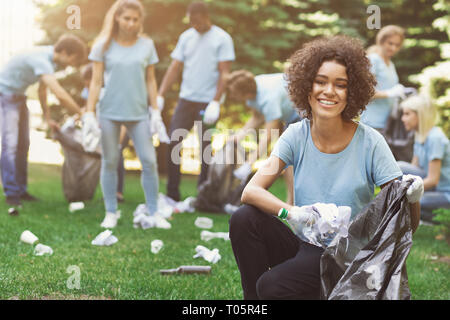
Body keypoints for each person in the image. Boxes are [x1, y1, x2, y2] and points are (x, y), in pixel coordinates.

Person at [228, 35, 423, 300]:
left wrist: (413, 199)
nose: (329, 91)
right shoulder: (295, 135)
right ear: (307, 87)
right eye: (320, 81)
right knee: (244, 219)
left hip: (348, 257)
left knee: (273, 286)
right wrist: (294, 213)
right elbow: (251, 192)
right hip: (306, 243)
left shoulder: (371, 142)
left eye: (340, 85)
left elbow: (405, 225)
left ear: (351, 92)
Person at [84, 0, 170, 229]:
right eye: (126, 18)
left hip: (139, 114)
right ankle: (111, 212)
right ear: (116, 18)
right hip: (110, 112)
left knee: (149, 162)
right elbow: (95, 81)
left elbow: (151, 80)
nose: (131, 23)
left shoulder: (146, 45)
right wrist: (89, 113)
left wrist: (155, 112)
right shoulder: (102, 46)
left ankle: (154, 212)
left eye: (135, 19)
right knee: (110, 161)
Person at [157, 1, 235, 201]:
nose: (195, 25)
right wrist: (160, 94)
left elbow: (224, 74)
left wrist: (216, 102)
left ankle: (203, 193)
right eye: (191, 22)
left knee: (205, 148)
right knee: (174, 141)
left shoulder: (222, 38)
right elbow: (175, 67)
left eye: (197, 21)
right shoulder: (186, 37)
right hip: (186, 99)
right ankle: (172, 193)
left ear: (206, 17)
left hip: (207, 102)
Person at [0, 34, 87, 207]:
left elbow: (42, 90)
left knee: (23, 144)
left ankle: (21, 190)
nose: (71, 64)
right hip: (6, 96)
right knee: (10, 145)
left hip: (19, 96)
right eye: (73, 59)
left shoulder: (50, 61)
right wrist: (84, 115)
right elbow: (60, 94)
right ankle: (11, 193)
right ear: (63, 52)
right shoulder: (41, 59)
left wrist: (48, 119)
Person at [226, 70, 302, 205]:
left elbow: (269, 135)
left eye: (234, 93)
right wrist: (239, 136)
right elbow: (257, 117)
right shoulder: (253, 89)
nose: (232, 96)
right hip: (288, 114)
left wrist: (249, 164)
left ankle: (292, 203)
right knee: (287, 160)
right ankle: (292, 202)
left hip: (301, 113)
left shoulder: (269, 97)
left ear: (244, 93)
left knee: (288, 159)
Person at [398, 94, 450, 223]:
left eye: (407, 114)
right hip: (433, 189)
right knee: (399, 169)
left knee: (410, 202)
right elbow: (413, 169)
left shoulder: (435, 138)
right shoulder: (420, 135)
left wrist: (405, 193)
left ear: (419, 114)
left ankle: (442, 219)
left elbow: (433, 180)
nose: (402, 119)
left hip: (445, 193)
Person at [81, 63, 128, 202]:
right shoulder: (89, 90)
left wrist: (120, 137)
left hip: (120, 126)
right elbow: (88, 107)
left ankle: (118, 192)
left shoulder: (113, 90)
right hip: (103, 127)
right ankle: (109, 191)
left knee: (117, 155)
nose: (86, 85)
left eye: (88, 81)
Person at [360, 25, 408, 132]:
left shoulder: (391, 64)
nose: (393, 48)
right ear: (381, 41)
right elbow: (365, 91)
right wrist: (389, 93)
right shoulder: (373, 60)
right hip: (371, 122)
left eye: (397, 45)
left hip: (387, 123)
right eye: (390, 43)